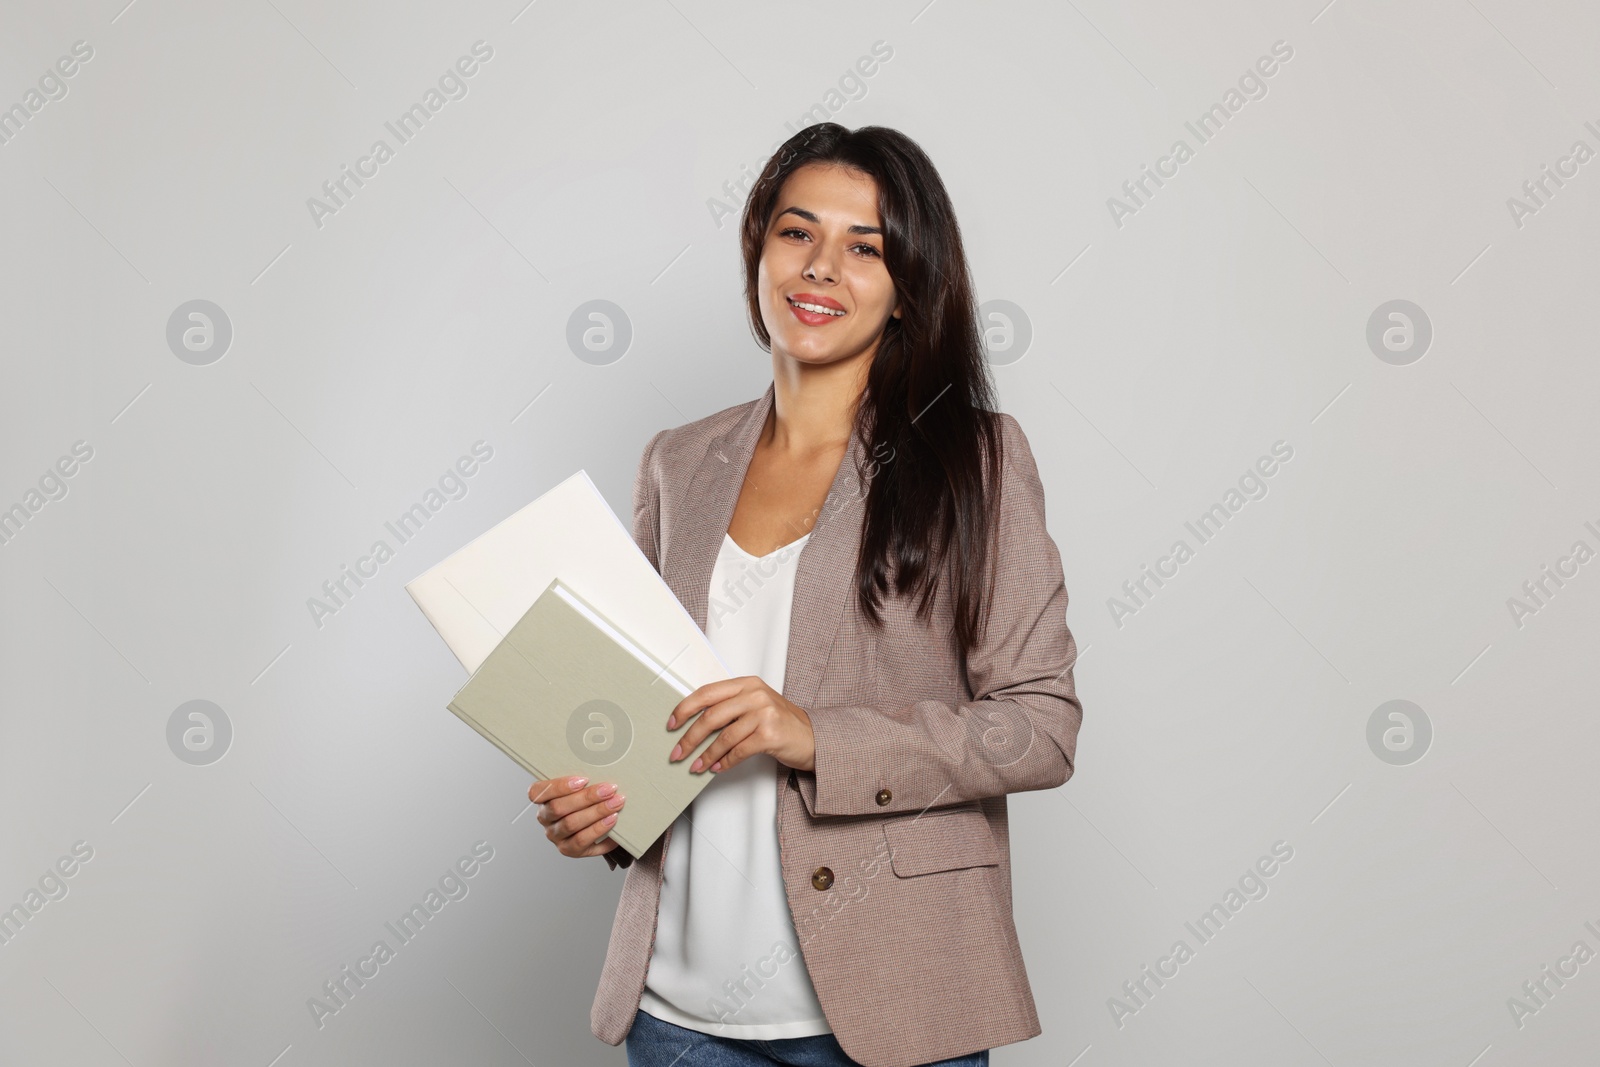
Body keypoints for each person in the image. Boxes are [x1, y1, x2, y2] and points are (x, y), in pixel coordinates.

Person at [527, 123, 1083, 1067]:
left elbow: (1040, 726)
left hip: (894, 1003)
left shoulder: (974, 462)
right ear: (758, 248)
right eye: (798, 233)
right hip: (678, 1019)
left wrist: (814, 735)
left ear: (908, 285)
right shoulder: (677, 462)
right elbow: (648, 711)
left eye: (864, 247)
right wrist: (602, 814)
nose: (822, 267)